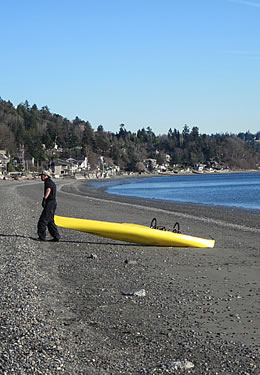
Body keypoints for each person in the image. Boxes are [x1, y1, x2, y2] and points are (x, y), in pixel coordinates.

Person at [37, 170, 60, 242]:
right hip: (52, 203)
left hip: (50, 203)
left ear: (46, 176)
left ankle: (42, 237)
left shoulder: (48, 182)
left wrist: (44, 198)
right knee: (50, 221)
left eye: (42, 175)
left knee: (43, 221)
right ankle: (56, 237)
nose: (41, 177)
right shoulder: (50, 181)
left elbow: (48, 189)